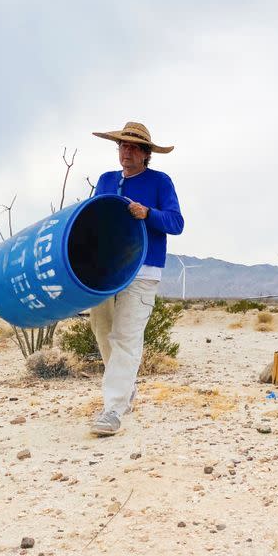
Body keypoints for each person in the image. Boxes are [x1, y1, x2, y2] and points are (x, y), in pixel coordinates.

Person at [88, 121, 184, 436]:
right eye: (122, 146)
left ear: (145, 154)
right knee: (102, 330)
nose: (126, 152)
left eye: (133, 147)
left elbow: (176, 222)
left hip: (143, 270)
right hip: (106, 269)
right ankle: (124, 387)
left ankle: (113, 409)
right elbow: (92, 217)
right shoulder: (105, 180)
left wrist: (148, 214)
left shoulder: (159, 182)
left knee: (126, 338)